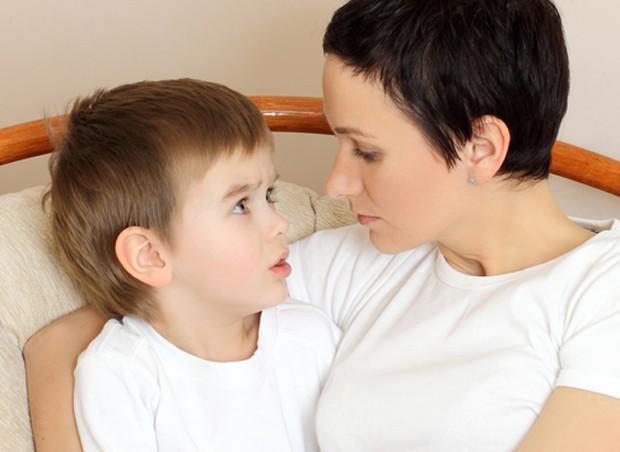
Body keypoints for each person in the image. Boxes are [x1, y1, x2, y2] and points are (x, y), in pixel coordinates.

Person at [24, 1, 620, 451]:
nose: (334, 184)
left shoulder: (600, 295)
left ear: (480, 146)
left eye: (366, 151)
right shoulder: (358, 262)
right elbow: (112, 323)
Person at [39, 78, 340, 452]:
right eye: (241, 205)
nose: (280, 223)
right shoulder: (122, 375)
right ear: (151, 255)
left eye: (269, 195)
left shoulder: (310, 336)